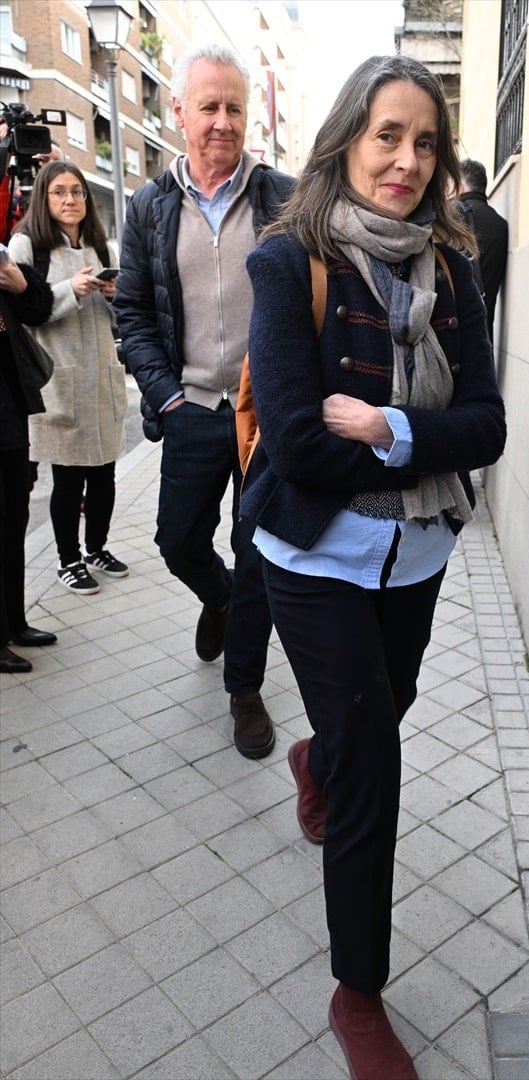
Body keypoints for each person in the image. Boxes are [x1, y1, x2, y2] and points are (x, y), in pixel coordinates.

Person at [242, 55, 506, 1079]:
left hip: (416, 555)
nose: (405, 159)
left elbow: (486, 428)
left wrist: (391, 426)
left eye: (424, 142)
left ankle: (317, 760)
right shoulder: (289, 261)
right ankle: (357, 995)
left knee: (378, 718)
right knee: (377, 773)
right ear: (347, 137)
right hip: (314, 558)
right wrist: (422, 441)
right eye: (386, 135)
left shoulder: (453, 270)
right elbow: (299, 446)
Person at [114, 44, 294, 759]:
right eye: (209, 106)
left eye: (234, 108)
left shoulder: (282, 199)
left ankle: (244, 689)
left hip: (265, 417)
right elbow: (132, 312)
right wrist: (165, 397)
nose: (222, 121)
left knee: (259, 555)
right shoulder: (150, 206)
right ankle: (218, 599)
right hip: (188, 408)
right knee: (177, 540)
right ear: (179, 111)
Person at [9, 162, 129, 595]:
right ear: (43, 197)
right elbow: (22, 311)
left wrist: (115, 295)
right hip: (58, 378)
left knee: (105, 473)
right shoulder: (27, 245)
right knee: (68, 477)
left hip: (102, 377)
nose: (70, 200)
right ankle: (68, 559)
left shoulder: (102, 246)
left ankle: (97, 548)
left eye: (77, 191)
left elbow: (123, 317)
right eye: (59, 192)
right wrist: (67, 290)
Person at [0, 249, 56, 673]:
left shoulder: (3, 262)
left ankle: (14, 623)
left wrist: (21, 286)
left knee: (14, 517)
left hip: (10, 410)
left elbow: (39, 309)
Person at [457, 158, 508, 341]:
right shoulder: (500, 224)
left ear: (461, 185)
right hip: (485, 331)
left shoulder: (451, 216)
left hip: (455, 331)